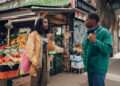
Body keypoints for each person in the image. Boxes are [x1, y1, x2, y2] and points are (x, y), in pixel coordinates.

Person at [82, 13, 112, 86]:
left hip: (98, 68)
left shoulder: (104, 32)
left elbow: (108, 49)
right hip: (89, 67)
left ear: (93, 21)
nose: (84, 21)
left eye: (87, 19)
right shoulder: (87, 33)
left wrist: (95, 41)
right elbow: (86, 48)